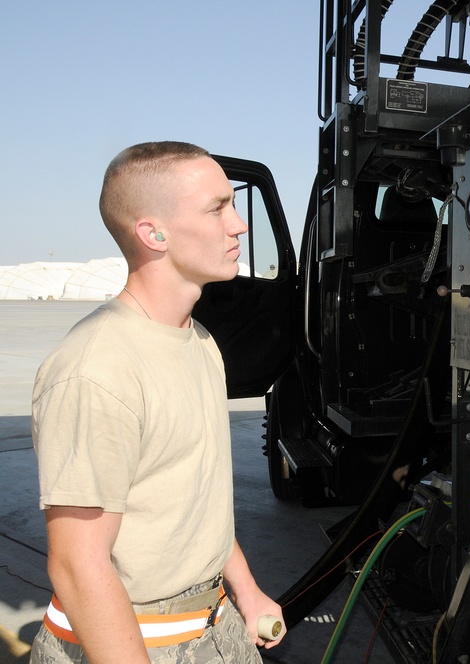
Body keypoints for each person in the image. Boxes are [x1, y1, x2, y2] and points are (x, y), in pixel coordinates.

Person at [30, 141, 284, 663]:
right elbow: (79, 567)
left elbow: (194, 498)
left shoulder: (200, 343)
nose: (238, 226)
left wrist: (247, 589)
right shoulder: (96, 369)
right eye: (217, 208)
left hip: (216, 627)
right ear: (153, 233)